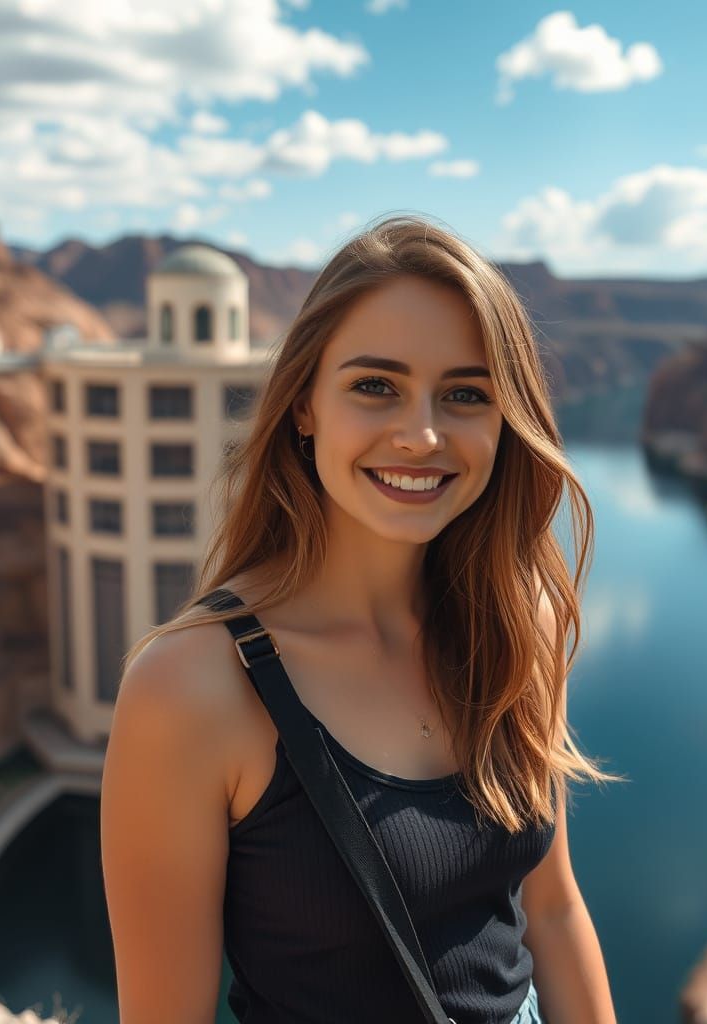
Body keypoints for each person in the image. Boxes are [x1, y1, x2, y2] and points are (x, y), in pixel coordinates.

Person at [100, 214, 623, 1024]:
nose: (421, 435)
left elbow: (551, 910)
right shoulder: (190, 688)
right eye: (375, 386)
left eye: (466, 394)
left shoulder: (522, 622)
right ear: (304, 406)